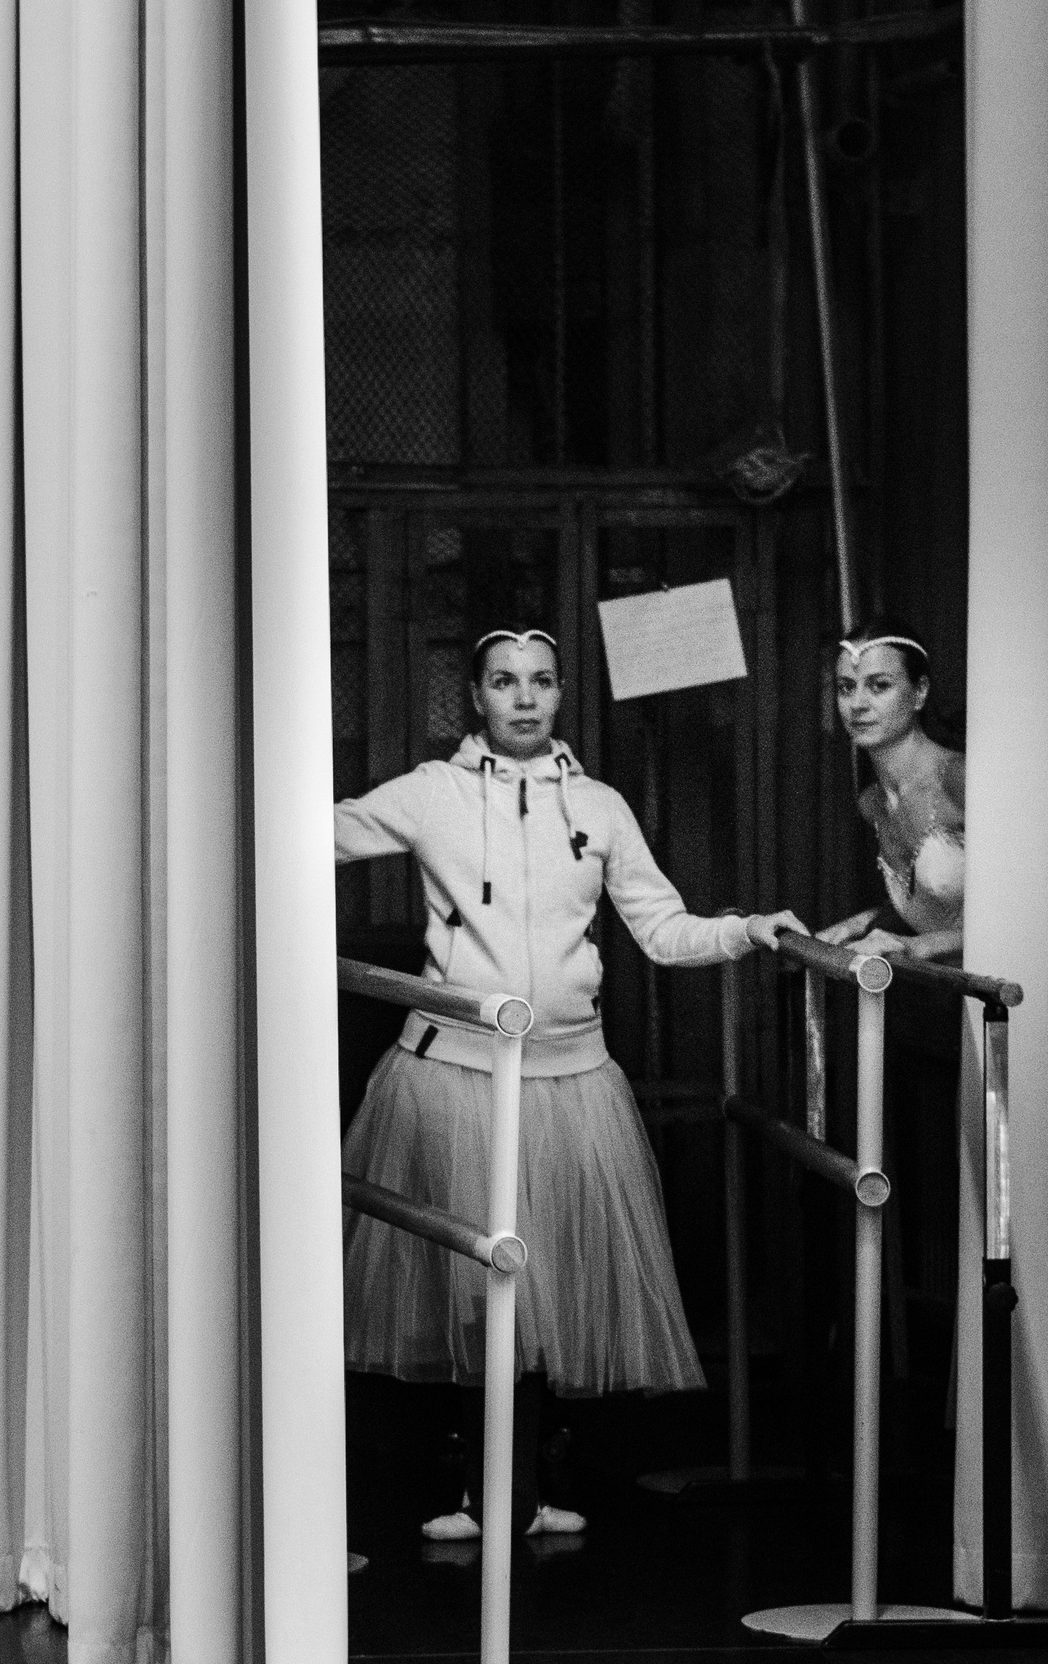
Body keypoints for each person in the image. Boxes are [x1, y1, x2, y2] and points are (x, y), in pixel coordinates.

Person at [336, 628, 804, 1542]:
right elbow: (314, 833)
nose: (524, 697)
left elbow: (661, 928)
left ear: (558, 694)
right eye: (504, 680)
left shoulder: (599, 805)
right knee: (476, 1284)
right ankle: (473, 1487)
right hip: (455, 1074)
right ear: (477, 694)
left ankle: (529, 1484)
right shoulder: (432, 792)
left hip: (571, 1078)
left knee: (546, 1286)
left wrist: (745, 930)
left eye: (541, 681)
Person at [820, 618, 965, 961]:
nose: (857, 704)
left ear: (920, 692)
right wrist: (863, 922)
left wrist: (918, 946)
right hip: (952, 988)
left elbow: (1030, 907)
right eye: (846, 687)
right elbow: (936, 904)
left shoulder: (959, 779)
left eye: (879, 686)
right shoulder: (872, 803)